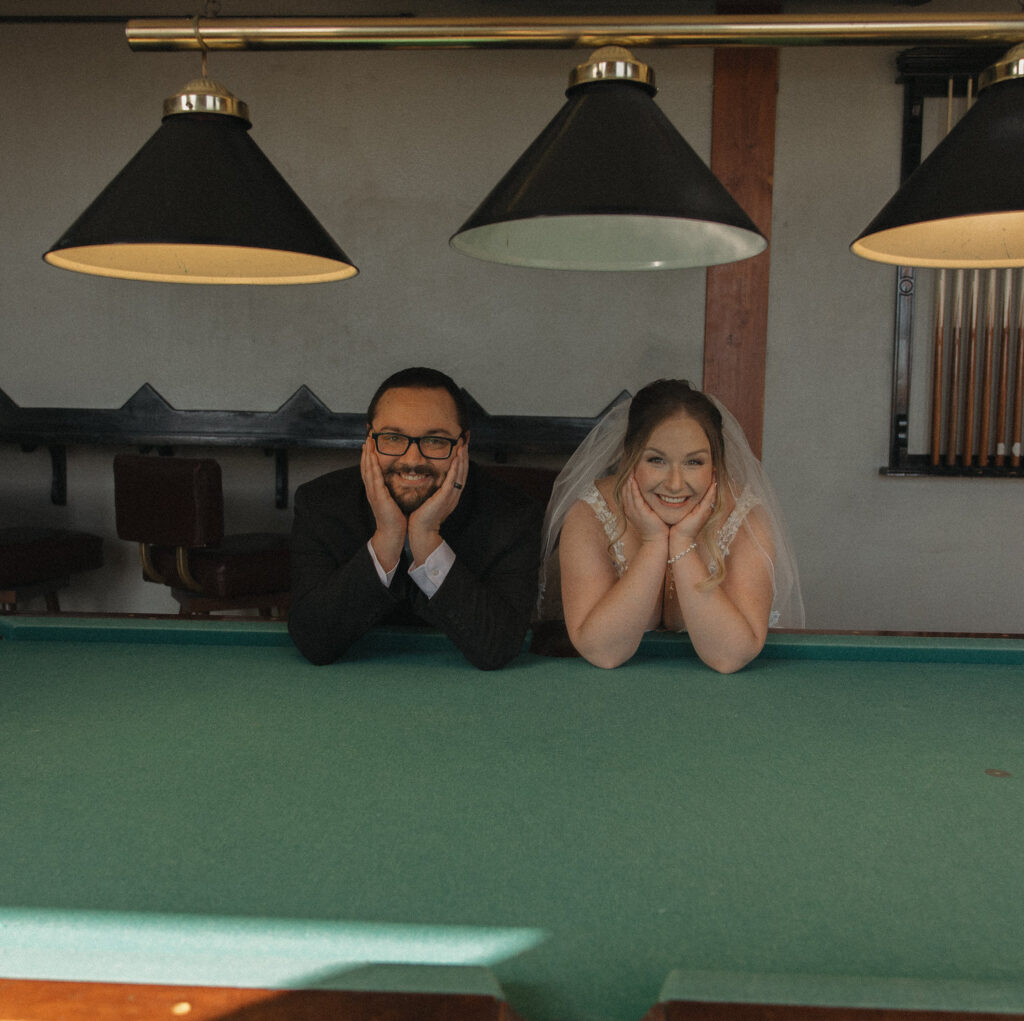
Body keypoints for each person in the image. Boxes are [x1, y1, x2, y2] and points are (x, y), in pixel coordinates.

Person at [539, 379, 803, 673]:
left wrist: (682, 541)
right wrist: (653, 543)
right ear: (629, 457)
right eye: (656, 460)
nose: (676, 484)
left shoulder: (745, 519)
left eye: (694, 462)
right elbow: (604, 652)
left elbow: (729, 657)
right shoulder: (589, 514)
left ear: (715, 464)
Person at [288, 367, 543, 670]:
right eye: (393, 438)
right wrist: (387, 537)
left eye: (435, 441)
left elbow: (498, 648)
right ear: (368, 440)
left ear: (463, 444)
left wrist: (427, 538)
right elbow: (314, 642)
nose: (412, 460)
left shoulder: (513, 515)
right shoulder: (320, 504)